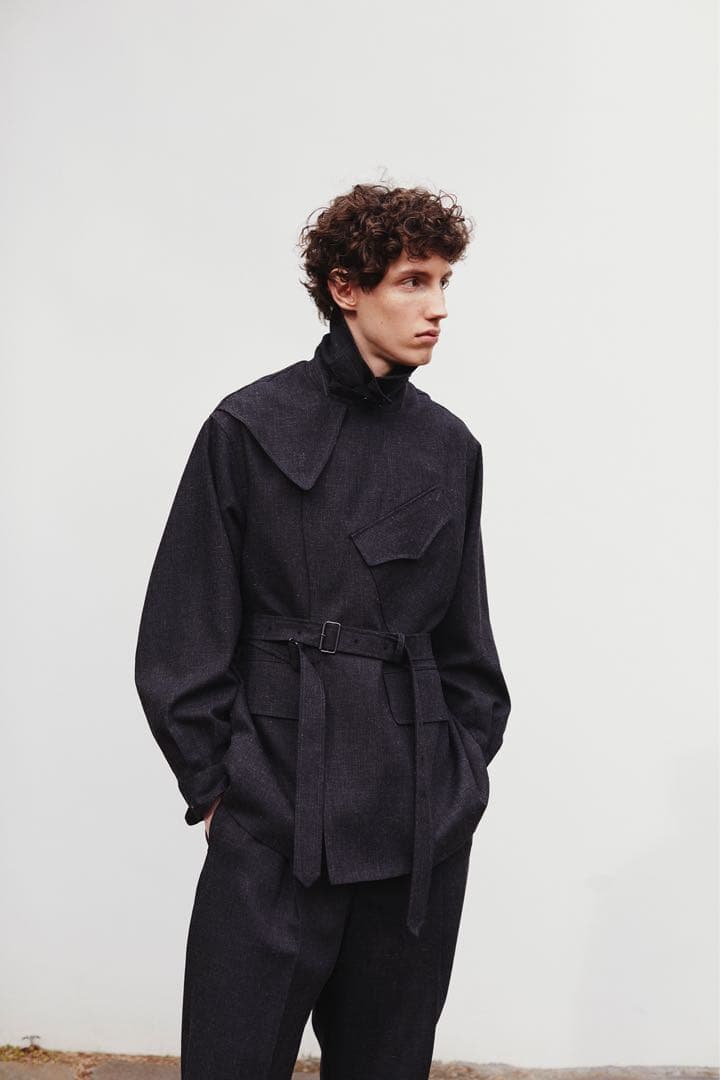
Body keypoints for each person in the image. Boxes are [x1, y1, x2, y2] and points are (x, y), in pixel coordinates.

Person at [134, 181, 511, 1080]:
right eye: (413, 281)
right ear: (346, 287)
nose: (438, 307)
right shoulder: (249, 426)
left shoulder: (450, 447)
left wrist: (455, 782)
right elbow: (181, 633)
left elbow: (469, 649)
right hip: (274, 810)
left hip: (414, 825)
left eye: (445, 282)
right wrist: (221, 793)